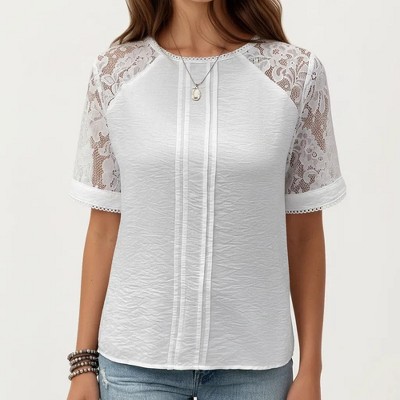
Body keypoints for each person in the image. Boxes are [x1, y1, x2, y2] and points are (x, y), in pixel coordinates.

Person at [66, 0, 347, 399]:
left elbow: (303, 234)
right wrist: (83, 365)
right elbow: (104, 229)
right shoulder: (114, 73)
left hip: (255, 367)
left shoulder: (295, 75)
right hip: (134, 365)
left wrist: (311, 368)